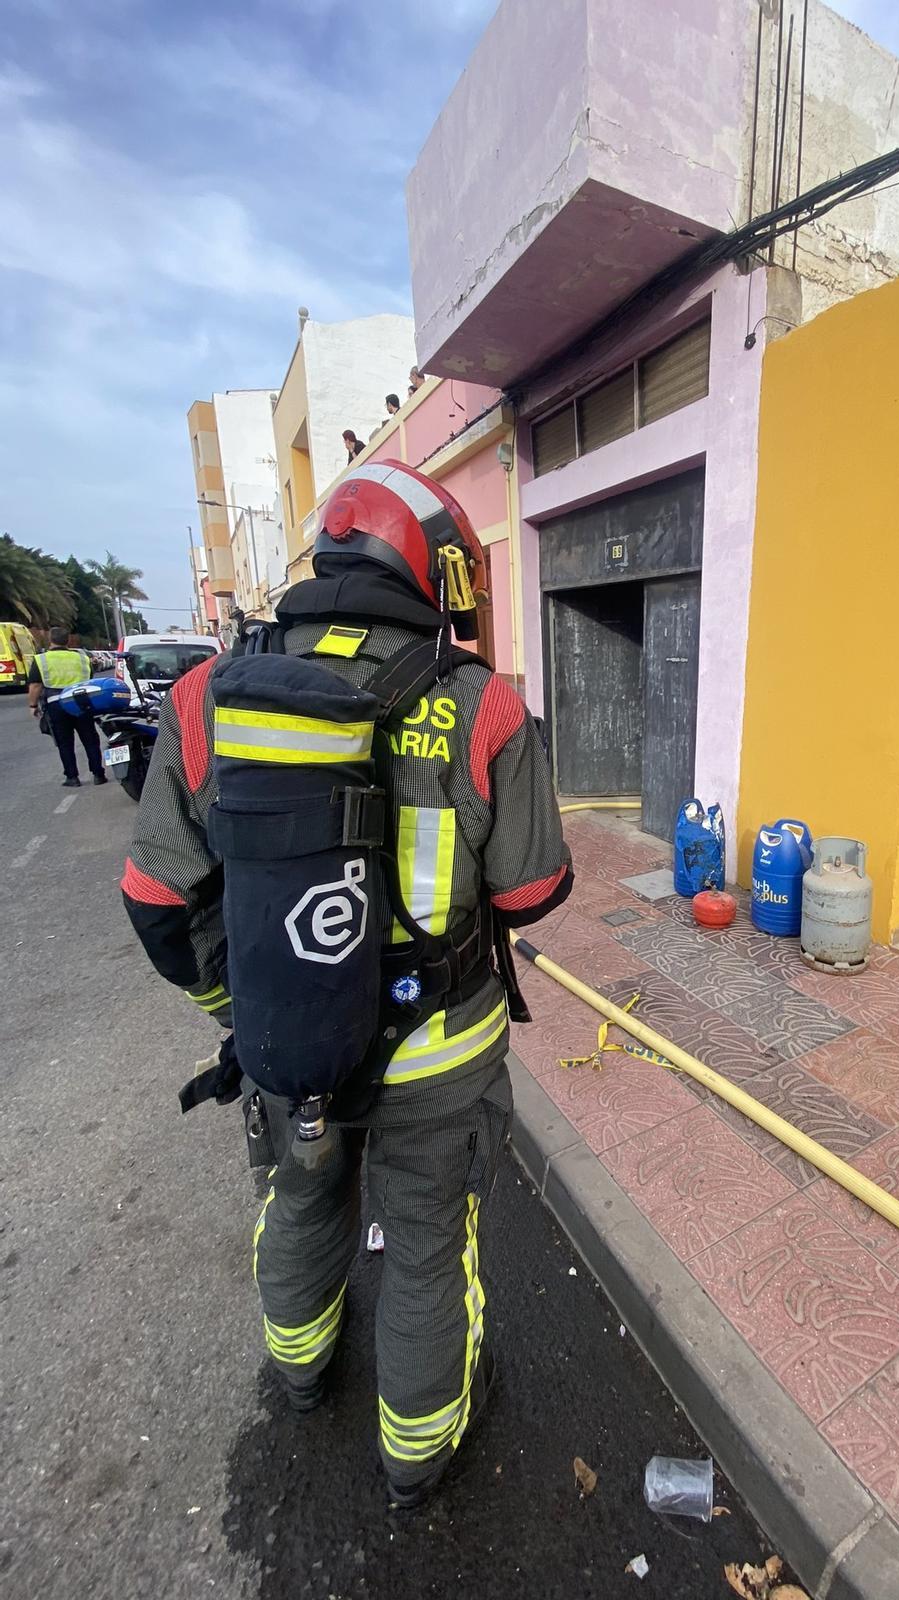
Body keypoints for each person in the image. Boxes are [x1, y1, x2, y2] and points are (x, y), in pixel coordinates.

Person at [120, 460, 572, 1509]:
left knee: (302, 1199)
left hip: (291, 1043)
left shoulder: (208, 695)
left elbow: (155, 898)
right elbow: (532, 891)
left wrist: (245, 1012)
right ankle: (418, 1457)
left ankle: (301, 1373)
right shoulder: (483, 704)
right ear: (430, 568)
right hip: (439, 1060)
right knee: (424, 1250)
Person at [28, 626, 106, 787]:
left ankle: (72, 777)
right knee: (90, 739)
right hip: (81, 703)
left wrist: (33, 705)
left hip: (56, 704)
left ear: (50, 639)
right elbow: (90, 679)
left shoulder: (41, 660)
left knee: (65, 743)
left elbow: (35, 686)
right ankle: (98, 774)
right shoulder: (82, 658)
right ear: (68, 640)